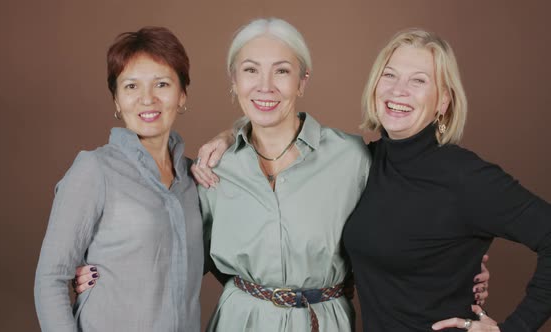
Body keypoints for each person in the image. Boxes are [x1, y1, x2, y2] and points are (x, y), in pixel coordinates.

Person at [75, 19, 491, 331]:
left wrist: (462, 266)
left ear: (302, 81)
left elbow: (406, 220)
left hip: (325, 320)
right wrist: (106, 275)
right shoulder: (211, 166)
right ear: (234, 81)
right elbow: (175, 250)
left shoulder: (352, 157)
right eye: (251, 70)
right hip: (241, 319)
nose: (265, 86)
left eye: (282, 71)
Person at [340, 29, 551, 331]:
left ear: (443, 102)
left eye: (419, 80)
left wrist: (514, 328)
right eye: (390, 75)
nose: (398, 90)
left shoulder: (465, 177)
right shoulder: (361, 163)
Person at [34, 27, 203, 332]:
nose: (147, 99)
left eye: (162, 84)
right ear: (116, 101)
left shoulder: (193, 179)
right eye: (131, 86)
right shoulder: (94, 170)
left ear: (182, 95)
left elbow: (199, 262)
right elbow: (50, 279)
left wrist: (230, 138)